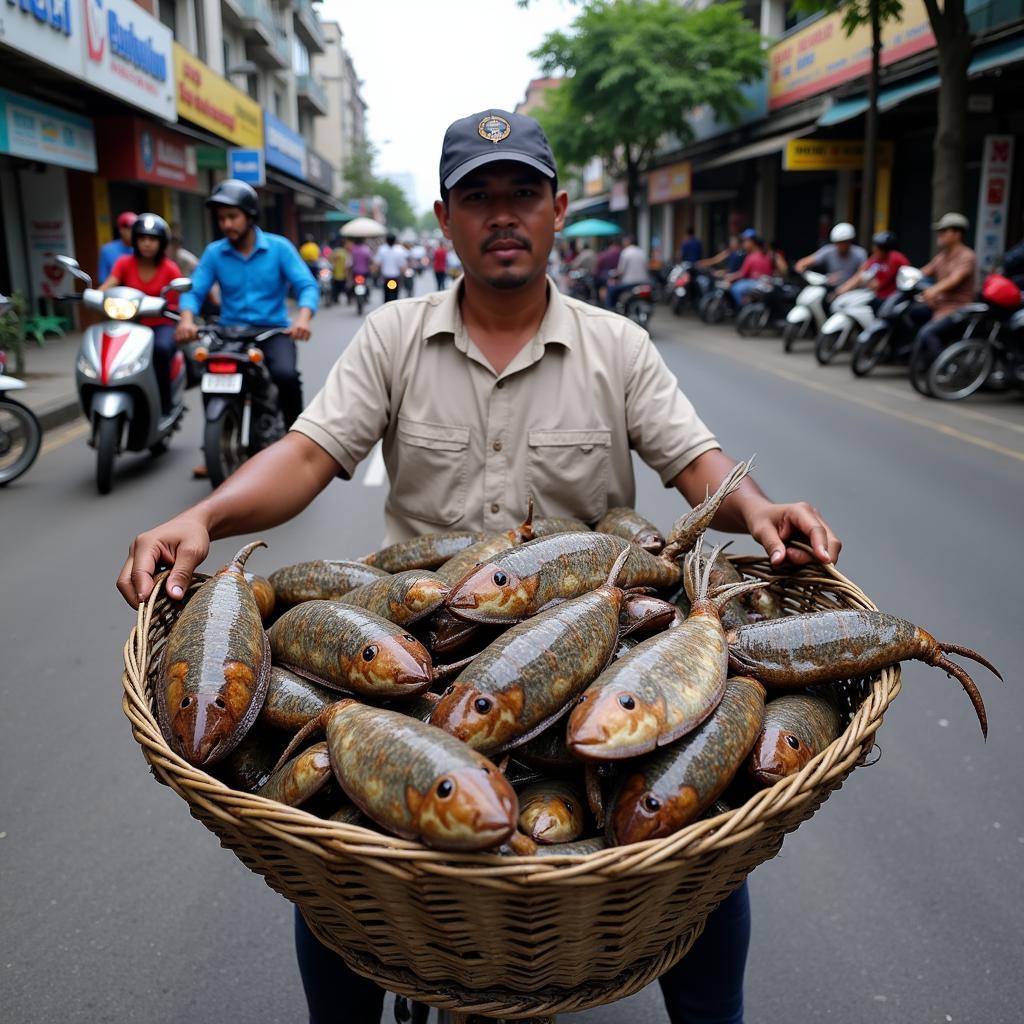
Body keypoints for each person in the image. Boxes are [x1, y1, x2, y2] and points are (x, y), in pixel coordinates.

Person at [118, 106, 841, 1024]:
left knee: (700, 850)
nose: (503, 214)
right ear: (447, 216)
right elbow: (307, 455)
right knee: (340, 866)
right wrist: (204, 514)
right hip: (419, 645)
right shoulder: (392, 336)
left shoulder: (617, 346)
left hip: (600, 641)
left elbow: (696, 461)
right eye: (480, 197)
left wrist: (759, 506)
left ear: (556, 209)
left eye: (523, 194)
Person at [175, 178, 318, 434]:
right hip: (229, 332)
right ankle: (215, 442)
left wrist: (303, 318)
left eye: (232, 216)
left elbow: (306, 285)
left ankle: (298, 438)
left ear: (250, 216)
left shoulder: (279, 248)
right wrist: (186, 319)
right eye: (221, 218)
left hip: (272, 330)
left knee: (286, 375)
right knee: (211, 376)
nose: (226, 224)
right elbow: (194, 291)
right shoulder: (214, 253)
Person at [99, 213, 182, 415]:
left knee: (161, 350)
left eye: (152, 239)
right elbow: (108, 285)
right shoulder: (124, 263)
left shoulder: (170, 268)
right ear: (135, 241)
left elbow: (179, 299)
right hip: (130, 324)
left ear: (161, 243)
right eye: (142, 238)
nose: (147, 244)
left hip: (161, 325)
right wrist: (94, 296)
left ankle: (165, 404)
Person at [910, 213, 978, 374]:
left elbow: (954, 279)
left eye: (944, 231)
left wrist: (934, 289)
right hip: (938, 304)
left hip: (957, 308)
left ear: (957, 234)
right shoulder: (942, 256)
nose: (940, 235)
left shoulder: (967, 256)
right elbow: (924, 272)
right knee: (913, 312)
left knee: (928, 333)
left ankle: (946, 368)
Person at [834, 230, 910, 310]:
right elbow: (860, 274)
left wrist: (866, 280)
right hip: (875, 296)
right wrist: (840, 291)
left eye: (877, 247)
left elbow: (876, 285)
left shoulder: (896, 259)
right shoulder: (876, 258)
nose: (874, 249)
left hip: (890, 299)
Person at [794, 223, 867, 287]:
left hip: (852, 291)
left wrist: (843, 289)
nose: (841, 245)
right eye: (838, 242)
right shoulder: (828, 250)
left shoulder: (859, 253)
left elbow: (861, 275)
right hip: (831, 288)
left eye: (845, 242)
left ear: (850, 241)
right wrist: (805, 273)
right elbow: (802, 263)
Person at [726, 229, 774, 306]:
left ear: (752, 242)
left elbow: (742, 273)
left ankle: (742, 308)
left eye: (745, 241)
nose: (743, 244)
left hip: (758, 284)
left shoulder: (752, 256)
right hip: (765, 284)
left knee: (735, 288)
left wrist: (730, 278)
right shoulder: (767, 254)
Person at [605, 234, 649, 310]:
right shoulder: (642, 252)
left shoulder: (626, 252)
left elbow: (621, 270)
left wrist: (614, 274)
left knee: (611, 289)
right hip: (643, 282)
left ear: (628, 242)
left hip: (629, 283)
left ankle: (611, 309)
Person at [98, 212, 137, 283]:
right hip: (115, 291)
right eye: (128, 227)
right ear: (121, 229)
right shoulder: (107, 250)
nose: (132, 231)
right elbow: (103, 279)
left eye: (135, 227)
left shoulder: (144, 249)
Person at [372, 233, 409, 301]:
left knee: (386, 295)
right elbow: (403, 266)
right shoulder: (399, 250)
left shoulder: (382, 249)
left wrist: (374, 271)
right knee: (395, 295)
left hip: (386, 277)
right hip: (395, 277)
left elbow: (377, 263)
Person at [330, 241, 350, 305]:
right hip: (343, 273)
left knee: (336, 288)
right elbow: (347, 264)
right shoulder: (345, 252)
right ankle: (348, 299)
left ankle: (335, 299)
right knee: (345, 288)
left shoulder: (334, 252)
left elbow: (330, 261)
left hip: (335, 273)